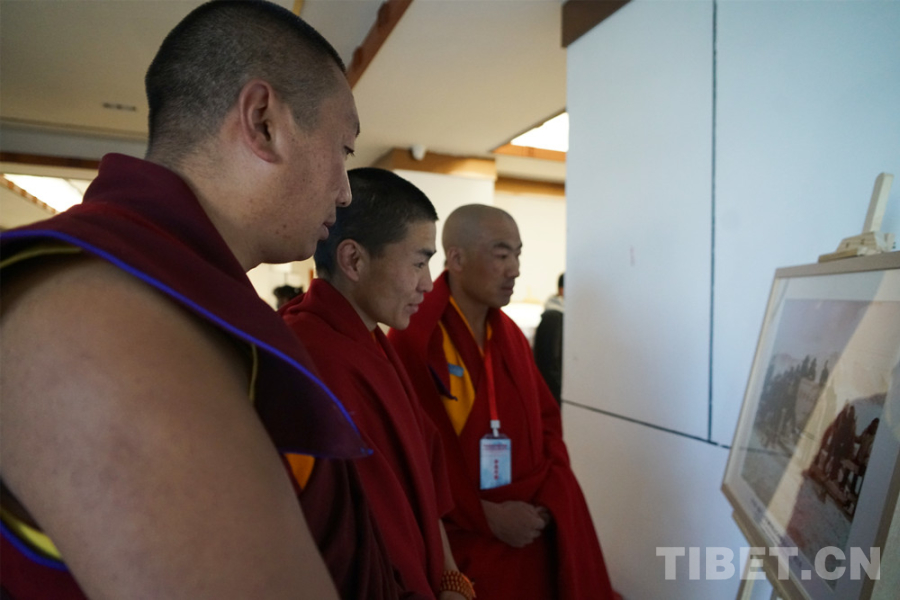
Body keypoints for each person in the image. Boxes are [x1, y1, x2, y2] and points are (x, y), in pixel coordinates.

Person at [0, 2, 404, 599]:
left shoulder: (181, 288)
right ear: (263, 122)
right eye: (344, 151)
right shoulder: (90, 315)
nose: (346, 193)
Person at [389, 204, 617, 599]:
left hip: (529, 524)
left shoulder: (510, 336)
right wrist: (485, 515)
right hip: (461, 539)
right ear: (456, 259)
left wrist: (548, 499)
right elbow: (409, 456)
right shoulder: (416, 338)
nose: (514, 269)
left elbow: (547, 424)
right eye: (501, 255)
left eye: (518, 255)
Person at [280, 168, 473, 600]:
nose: (428, 284)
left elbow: (423, 476)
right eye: (419, 262)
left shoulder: (371, 340)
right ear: (353, 260)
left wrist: (451, 581)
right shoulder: (308, 355)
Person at [533, 272, 565, 405]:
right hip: (555, 397)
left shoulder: (562, 316)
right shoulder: (553, 317)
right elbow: (549, 363)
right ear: (562, 290)